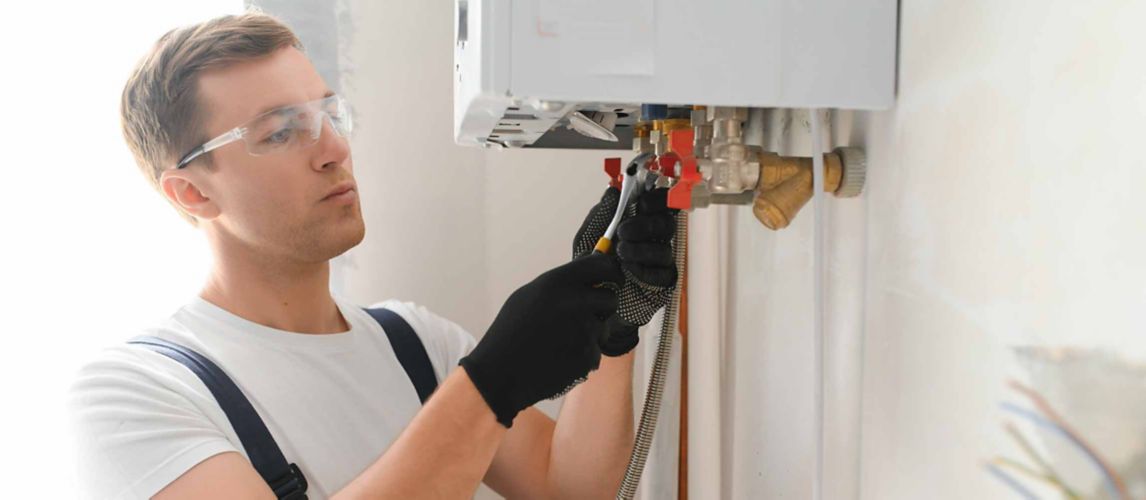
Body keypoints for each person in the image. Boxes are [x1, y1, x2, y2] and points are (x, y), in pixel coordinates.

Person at [67, 12, 677, 500]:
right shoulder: (135, 395)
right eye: (280, 132)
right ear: (192, 191)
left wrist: (612, 325)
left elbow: (569, 487)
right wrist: (489, 386)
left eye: (328, 114)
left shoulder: (414, 342)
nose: (333, 148)